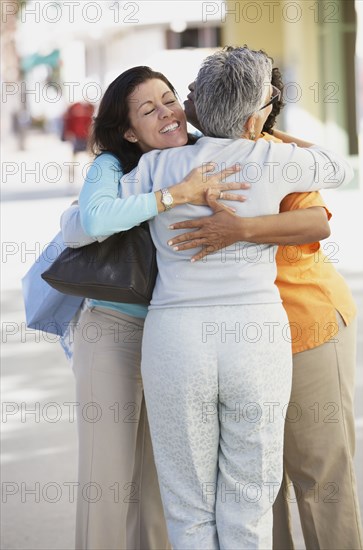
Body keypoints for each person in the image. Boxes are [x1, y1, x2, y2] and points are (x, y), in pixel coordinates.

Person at [76, 47, 353, 549]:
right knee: (249, 497)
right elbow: (336, 167)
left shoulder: (158, 168)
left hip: (176, 341)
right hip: (257, 339)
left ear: (198, 104)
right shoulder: (272, 157)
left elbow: (92, 219)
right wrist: (259, 129)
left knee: (188, 503)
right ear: (255, 115)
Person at [169, 62, 363, 550]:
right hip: (229, 345)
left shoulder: (275, 155)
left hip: (304, 327)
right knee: (252, 488)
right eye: (190, 87)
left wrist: (240, 230)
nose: (188, 95)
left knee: (320, 475)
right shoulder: (178, 158)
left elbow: (316, 222)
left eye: (197, 89)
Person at [60, 66, 249, 550]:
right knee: (107, 479)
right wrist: (173, 196)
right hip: (114, 330)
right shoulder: (112, 167)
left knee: (158, 488)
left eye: (169, 99)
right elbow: (92, 220)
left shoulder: (199, 147)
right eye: (149, 110)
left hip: (173, 338)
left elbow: (256, 142)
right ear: (128, 131)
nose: (167, 113)